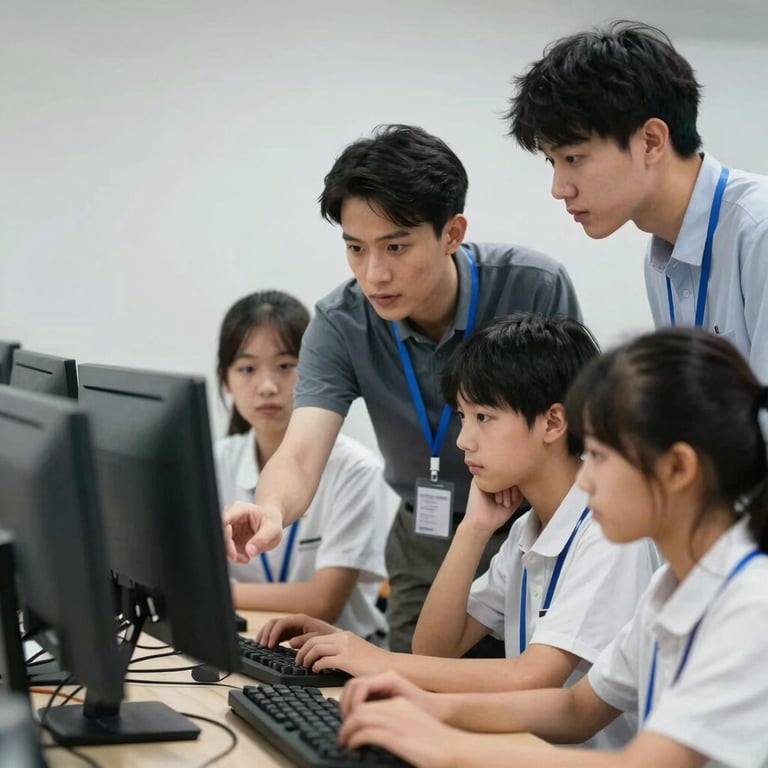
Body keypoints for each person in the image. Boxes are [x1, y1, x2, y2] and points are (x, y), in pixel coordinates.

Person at [337, 327, 768, 768]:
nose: (584, 477)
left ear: (677, 468)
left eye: (599, 456)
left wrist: (449, 747)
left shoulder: (750, 605)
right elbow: (576, 709)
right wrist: (431, 708)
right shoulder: (668, 587)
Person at [223, 124, 583, 652]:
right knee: (412, 676)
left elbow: (578, 432)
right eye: (355, 248)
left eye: (395, 246)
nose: (374, 274)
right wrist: (272, 509)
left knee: (527, 682)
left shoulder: (532, 285)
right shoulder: (341, 322)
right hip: (427, 532)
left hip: (536, 524)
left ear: (452, 233)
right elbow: (300, 453)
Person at [256, 313, 661, 750]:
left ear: (553, 422)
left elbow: (535, 675)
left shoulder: (607, 532)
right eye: (463, 417)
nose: (463, 440)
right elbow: (434, 648)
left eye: (484, 417)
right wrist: (472, 529)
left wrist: (376, 660)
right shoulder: (529, 527)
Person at [506, 21, 768, 380]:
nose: (559, 188)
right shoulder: (660, 257)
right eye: (553, 161)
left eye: (574, 158)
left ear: (651, 141)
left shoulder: (759, 230)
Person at [215, 290, 389, 641]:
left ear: (313, 371)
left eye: (286, 366)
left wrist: (206, 593)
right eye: (247, 368)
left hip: (337, 658)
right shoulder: (216, 461)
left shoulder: (355, 468)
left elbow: (322, 602)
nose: (267, 387)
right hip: (249, 643)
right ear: (225, 379)